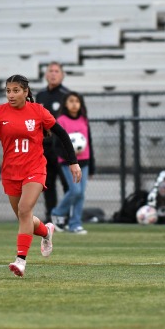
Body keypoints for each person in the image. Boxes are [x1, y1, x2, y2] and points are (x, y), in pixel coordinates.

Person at [0, 74, 81, 278]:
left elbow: (62, 134)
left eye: (15, 91)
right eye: (8, 91)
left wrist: (73, 162)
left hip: (35, 169)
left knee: (24, 210)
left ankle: (20, 261)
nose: (11, 95)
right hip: (11, 173)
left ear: (25, 92)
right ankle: (46, 231)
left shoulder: (38, 111)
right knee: (25, 217)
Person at [51, 91, 96, 234]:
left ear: (81, 104)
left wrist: (92, 166)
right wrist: (69, 158)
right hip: (68, 163)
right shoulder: (61, 120)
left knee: (81, 194)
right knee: (75, 191)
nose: (74, 104)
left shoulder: (84, 120)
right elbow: (56, 145)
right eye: (71, 101)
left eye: (77, 101)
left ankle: (75, 224)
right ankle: (57, 213)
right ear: (65, 104)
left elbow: (89, 143)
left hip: (84, 162)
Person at [35, 62, 70, 227]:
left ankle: (66, 217)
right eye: (51, 71)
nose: (53, 74)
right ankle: (50, 217)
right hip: (44, 148)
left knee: (67, 183)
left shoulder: (66, 95)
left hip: (61, 148)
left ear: (62, 75)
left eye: (57, 71)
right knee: (47, 184)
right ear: (46, 75)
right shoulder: (40, 96)